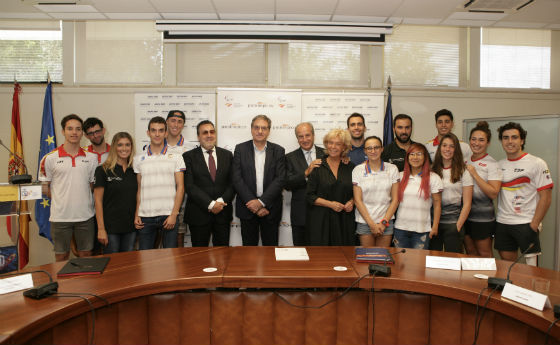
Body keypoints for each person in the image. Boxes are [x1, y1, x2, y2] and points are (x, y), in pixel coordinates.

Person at [39, 114, 97, 261]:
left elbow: (92, 186)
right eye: (70, 129)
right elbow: (45, 188)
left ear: (82, 133)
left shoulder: (91, 158)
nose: (74, 132)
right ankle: (63, 285)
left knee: (86, 255)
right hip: (60, 217)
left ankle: (86, 284)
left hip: (86, 216)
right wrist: (62, 200)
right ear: (63, 131)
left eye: (78, 129)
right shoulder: (49, 158)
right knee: (61, 256)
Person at [495, 122, 553, 264]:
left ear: (522, 140)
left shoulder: (537, 163)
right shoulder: (499, 165)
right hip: (503, 223)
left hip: (526, 223)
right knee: (508, 268)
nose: (510, 141)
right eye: (505, 137)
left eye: (514, 137)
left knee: (532, 271)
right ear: (501, 141)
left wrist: (534, 224)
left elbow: (546, 197)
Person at [232, 115, 285, 246]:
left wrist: (262, 202)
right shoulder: (240, 149)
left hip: (270, 209)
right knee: (248, 253)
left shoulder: (278, 150)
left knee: (271, 251)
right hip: (247, 208)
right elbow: (237, 178)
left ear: (269, 130)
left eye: (264, 128)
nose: (260, 131)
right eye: (256, 127)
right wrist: (254, 204)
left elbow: (280, 179)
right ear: (251, 129)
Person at [133, 116, 185, 250]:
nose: (157, 134)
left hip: (168, 215)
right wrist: (137, 213)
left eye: (161, 130)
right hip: (145, 217)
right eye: (153, 130)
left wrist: (174, 214)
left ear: (166, 133)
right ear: (148, 132)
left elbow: (180, 188)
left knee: (170, 260)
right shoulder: (138, 159)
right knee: (146, 260)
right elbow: (140, 189)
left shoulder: (177, 157)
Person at [183, 120, 234, 246]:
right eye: (205, 132)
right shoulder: (188, 157)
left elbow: (233, 183)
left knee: (222, 256)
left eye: (212, 132)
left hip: (222, 214)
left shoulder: (227, 155)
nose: (209, 135)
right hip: (198, 214)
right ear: (198, 137)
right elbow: (189, 186)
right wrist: (211, 204)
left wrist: (220, 202)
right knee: (199, 256)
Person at [306, 128, 355, 246]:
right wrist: (330, 204)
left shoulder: (351, 167)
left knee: (344, 257)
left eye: (338, 144)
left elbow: (357, 192)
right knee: (322, 259)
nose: (333, 146)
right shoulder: (317, 166)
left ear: (344, 147)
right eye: (330, 142)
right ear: (326, 144)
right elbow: (309, 196)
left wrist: (352, 202)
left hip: (344, 220)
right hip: (321, 221)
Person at [93, 132, 137, 253]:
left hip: (130, 227)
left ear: (131, 147)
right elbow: (97, 201)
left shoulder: (135, 170)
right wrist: (101, 229)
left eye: (127, 145)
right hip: (110, 228)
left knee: (126, 264)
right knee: (112, 265)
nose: (124, 148)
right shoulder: (102, 170)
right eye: (120, 145)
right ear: (114, 147)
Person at [393, 144, 443, 249]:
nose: (415, 157)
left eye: (419, 154)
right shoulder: (399, 176)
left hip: (422, 230)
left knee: (418, 263)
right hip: (400, 228)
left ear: (425, 157)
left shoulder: (434, 178)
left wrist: (435, 227)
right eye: (412, 154)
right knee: (401, 264)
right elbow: (394, 201)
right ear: (407, 158)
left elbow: (437, 205)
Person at [353, 136, 399, 247]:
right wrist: (371, 224)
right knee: (367, 259)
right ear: (365, 151)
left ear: (382, 149)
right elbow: (358, 200)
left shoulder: (392, 169)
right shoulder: (358, 170)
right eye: (369, 148)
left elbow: (395, 199)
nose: (373, 151)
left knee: (382, 259)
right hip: (365, 222)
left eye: (376, 147)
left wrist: (384, 223)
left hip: (386, 222)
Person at [430, 133, 473, 253]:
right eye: (444, 145)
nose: (447, 149)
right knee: (433, 260)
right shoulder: (432, 170)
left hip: (453, 223)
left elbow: (467, 204)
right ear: (440, 148)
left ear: (456, 149)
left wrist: (458, 226)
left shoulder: (463, 171)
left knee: (453, 262)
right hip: (434, 224)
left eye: (451, 146)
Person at [464, 121, 502, 257]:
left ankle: (488, 278)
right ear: (469, 141)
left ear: (488, 143)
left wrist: (475, 174)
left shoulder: (492, 164)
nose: (476, 143)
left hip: (483, 218)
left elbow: (493, 193)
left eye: (481, 140)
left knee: (484, 254)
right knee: (470, 253)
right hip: (465, 216)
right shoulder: (465, 160)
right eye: (473, 139)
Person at [285, 122, 326, 246]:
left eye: (307, 135)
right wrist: (306, 172)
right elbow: (287, 183)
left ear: (313, 135)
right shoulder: (289, 157)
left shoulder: (327, 154)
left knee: (323, 253)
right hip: (300, 213)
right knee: (300, 253)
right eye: (300, 136)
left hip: (323, 212)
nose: (304, 139)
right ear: (297, 139)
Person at [165, 110, 190, 247]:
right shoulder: (155, 145)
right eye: (173, 120)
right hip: (160, 202)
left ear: (183, 125)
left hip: (181, 203)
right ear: (167, 122)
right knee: (157, 240)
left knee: (178, 241)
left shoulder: (190, 147)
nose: (176, 124)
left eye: (180, 121)